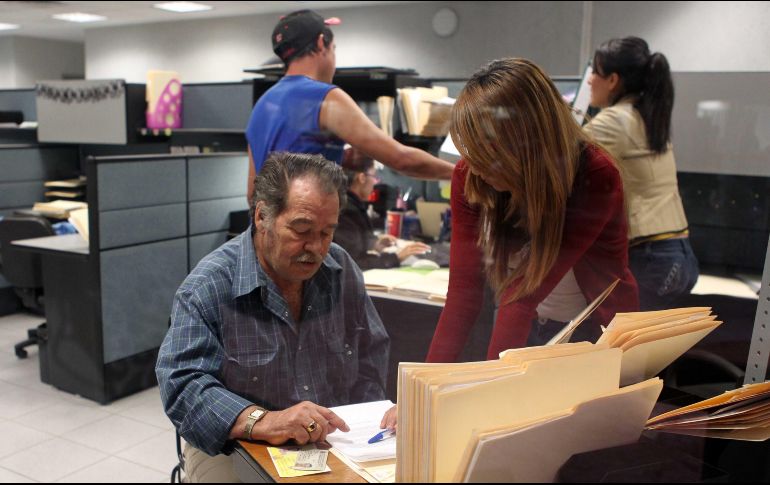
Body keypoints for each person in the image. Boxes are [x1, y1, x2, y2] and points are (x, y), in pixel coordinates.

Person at [156, 152, 390, 482]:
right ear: (263, 216)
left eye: (327, 233)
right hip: (237, 442)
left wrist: (372, 419)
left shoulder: (341, 272)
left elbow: (371, 354)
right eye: (302, 230)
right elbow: (183, 386)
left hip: (333, 437)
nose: (316, 248)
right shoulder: (210, 286)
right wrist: (264, 422)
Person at [425, 58, 639, 364]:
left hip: (595, 335)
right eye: (470, 151)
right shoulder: (471, 175)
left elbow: (523, 294)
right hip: (530, 328)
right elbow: (463, 293)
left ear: (526, 142)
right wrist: (419, 390)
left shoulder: (593, 174)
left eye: (487, 152)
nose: (474, 166)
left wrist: (492, 385)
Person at [245, 9, 455, 203]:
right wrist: (461, 173)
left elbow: (251, 194)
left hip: (265, 234)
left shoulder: (262, 105)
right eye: (333, 49)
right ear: (321, 44)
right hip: (306, 234)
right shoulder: (324, 98)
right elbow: (402, 159)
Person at [584, 37, 698, 310]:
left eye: (595, 73)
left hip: (651, 259)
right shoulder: (647, 116)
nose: (589, 81)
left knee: (624, 347)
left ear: (612, 80)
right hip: (679, 254)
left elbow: (554, 164)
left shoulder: (613, 120)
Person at [335, 149, 430, 270]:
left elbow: (350, 246)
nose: (375, 182)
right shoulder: (346, 209)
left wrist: (373, 243)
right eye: (374, 176)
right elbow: (354, 263)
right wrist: (397, 257)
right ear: (362, 178)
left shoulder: (352, 204)